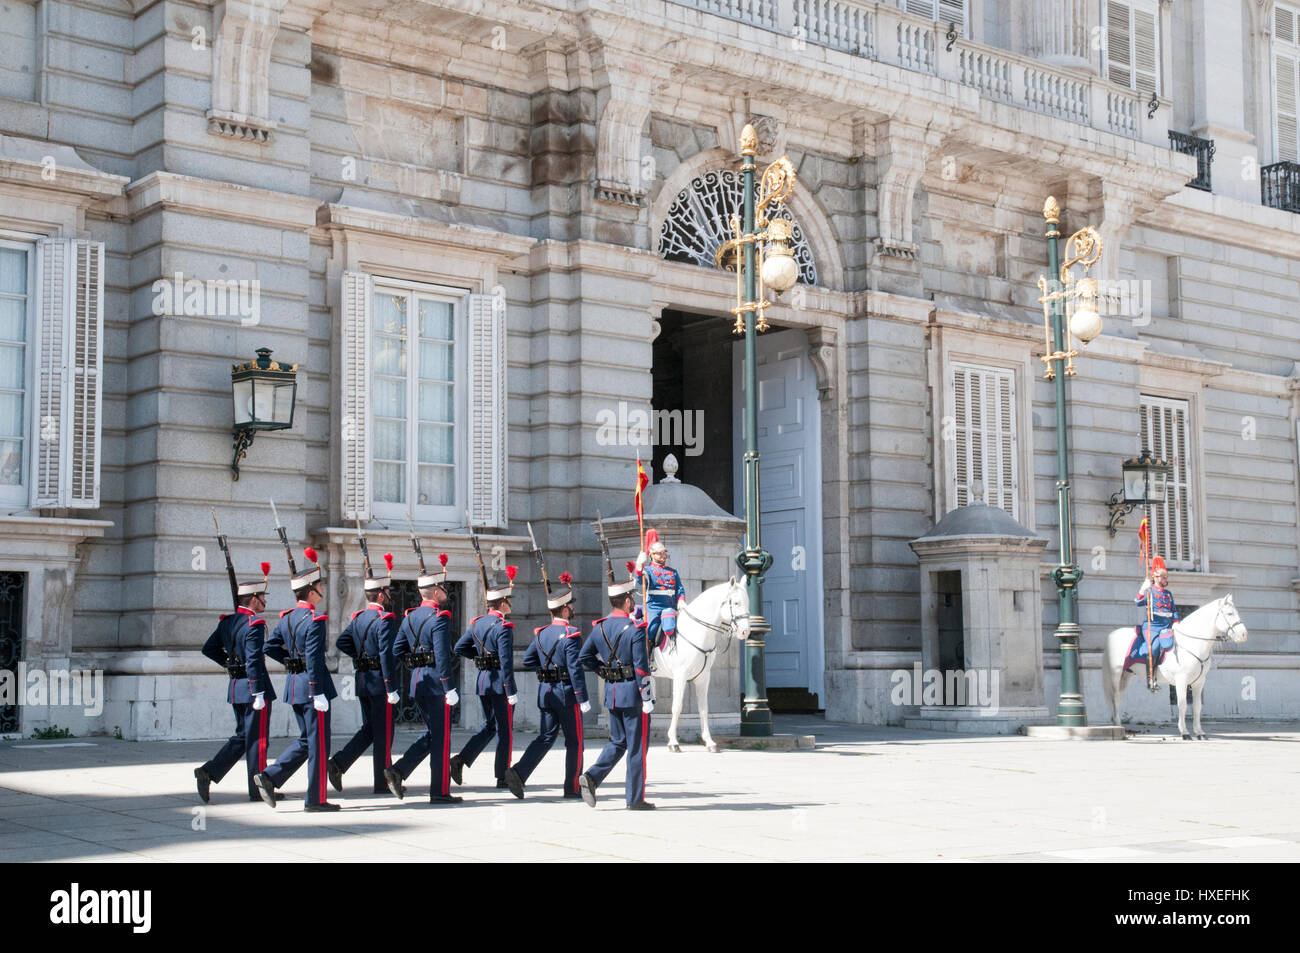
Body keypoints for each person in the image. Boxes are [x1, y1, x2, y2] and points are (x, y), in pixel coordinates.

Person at [256, 548, 339, 812]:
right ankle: (316, 799)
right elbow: (314, 658)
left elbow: (269, 648)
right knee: (318, 744)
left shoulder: (287, 618)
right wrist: (317, 692)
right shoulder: (314, 620)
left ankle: (270, 776)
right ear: (312, 590)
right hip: (312, 688)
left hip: (294, 686)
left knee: (307, 740)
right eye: (320, 585)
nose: (322, 589)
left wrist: (290, 662)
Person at [504, 571, 590, 800]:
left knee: (545, 737)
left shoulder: (541, 634)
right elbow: (575, 669)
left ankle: (519, 772)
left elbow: (529, 659)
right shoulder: (570, 634)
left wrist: (546, 671)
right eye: (570, 605)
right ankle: (572, 787)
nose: (572, 608)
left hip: (546, 693)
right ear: (564, 610)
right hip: (566, 694)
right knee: (575, 741)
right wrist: (582, 698)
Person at [195, 563, 275, 803]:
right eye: (262, 597)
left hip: (236, 688)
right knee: (258, 740)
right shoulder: (254, 625)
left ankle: (209, 772)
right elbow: (253, 660)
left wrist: (229, 664)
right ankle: (258, 790)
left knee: (244, 737)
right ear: (253, 599)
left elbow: (209, 649)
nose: (264, 601)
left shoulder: (228, 622)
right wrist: (257, 691)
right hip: (253, 690)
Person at [386, 554, 461, 804]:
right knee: (441, 738)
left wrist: (415, 661)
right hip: (436, 683)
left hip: (417, 681)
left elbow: (397, 650)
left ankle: (399, 770)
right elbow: (441, 655)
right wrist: (449, 687)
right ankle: (439, 791)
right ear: (435, 592)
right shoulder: (439, 617)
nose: (446, 592)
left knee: (433, 733)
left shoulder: (409, 617)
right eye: (443, 588)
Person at [578, 569, 655, 811]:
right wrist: (647, 697)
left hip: (611, 693)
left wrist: (603, 670)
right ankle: (635, 799)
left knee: (618, 741)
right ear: (628, 601)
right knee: (637, 746)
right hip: (633, 694)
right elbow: (641, 667)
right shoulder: (635, 629)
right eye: (632, 598)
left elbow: (584, 656)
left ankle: (591, 777)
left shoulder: (599, 628)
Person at [327, 554, 401, 795]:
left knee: (370, 730)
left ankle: (339, 763)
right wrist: (391, 687)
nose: (390, 596)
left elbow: (342, 641)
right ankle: (383, 783)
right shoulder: (385, 620)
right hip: (380, 683)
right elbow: (386, 655)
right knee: (383, 733)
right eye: (388, 592)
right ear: (380, 595)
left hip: (363, 681)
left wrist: (360, 657)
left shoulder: (358, 619)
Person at [451, 567, 518, 790]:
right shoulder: (503, 627)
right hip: (500, 684)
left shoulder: (477, 624)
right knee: (504, 730)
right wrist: (511, 690)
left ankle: (461, 759)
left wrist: (479, 659)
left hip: (483, 682)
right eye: (508, 600)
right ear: (501, 604)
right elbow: (506, 662)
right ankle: (502, 776)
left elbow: (460, 647)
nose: (510, 603)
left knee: (490, 726)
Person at [1131, 555, 1179, 691]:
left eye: (1166, 577)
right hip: (1152, 627)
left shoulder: (1168, 594)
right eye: (1163, 577)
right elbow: (1137, 602)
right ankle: (1151, 679)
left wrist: (1176, 622)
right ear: (1156, 578)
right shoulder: (1150, 592)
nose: (1165, 580)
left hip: (1167, 626)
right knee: (1154, 648)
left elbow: (1173, 610)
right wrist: (1142, 589)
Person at [635, 529, 686, 655]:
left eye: (664, 553)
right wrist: (638, 567)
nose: (663, 556)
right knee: (651, 630)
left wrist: (681, 601)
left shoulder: (672, 571)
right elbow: (639, 580)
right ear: (651, 555)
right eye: (659, 554)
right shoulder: (648, 570)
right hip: (654, 607)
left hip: (671, 606)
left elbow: (679, 589)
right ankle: (648, 655)